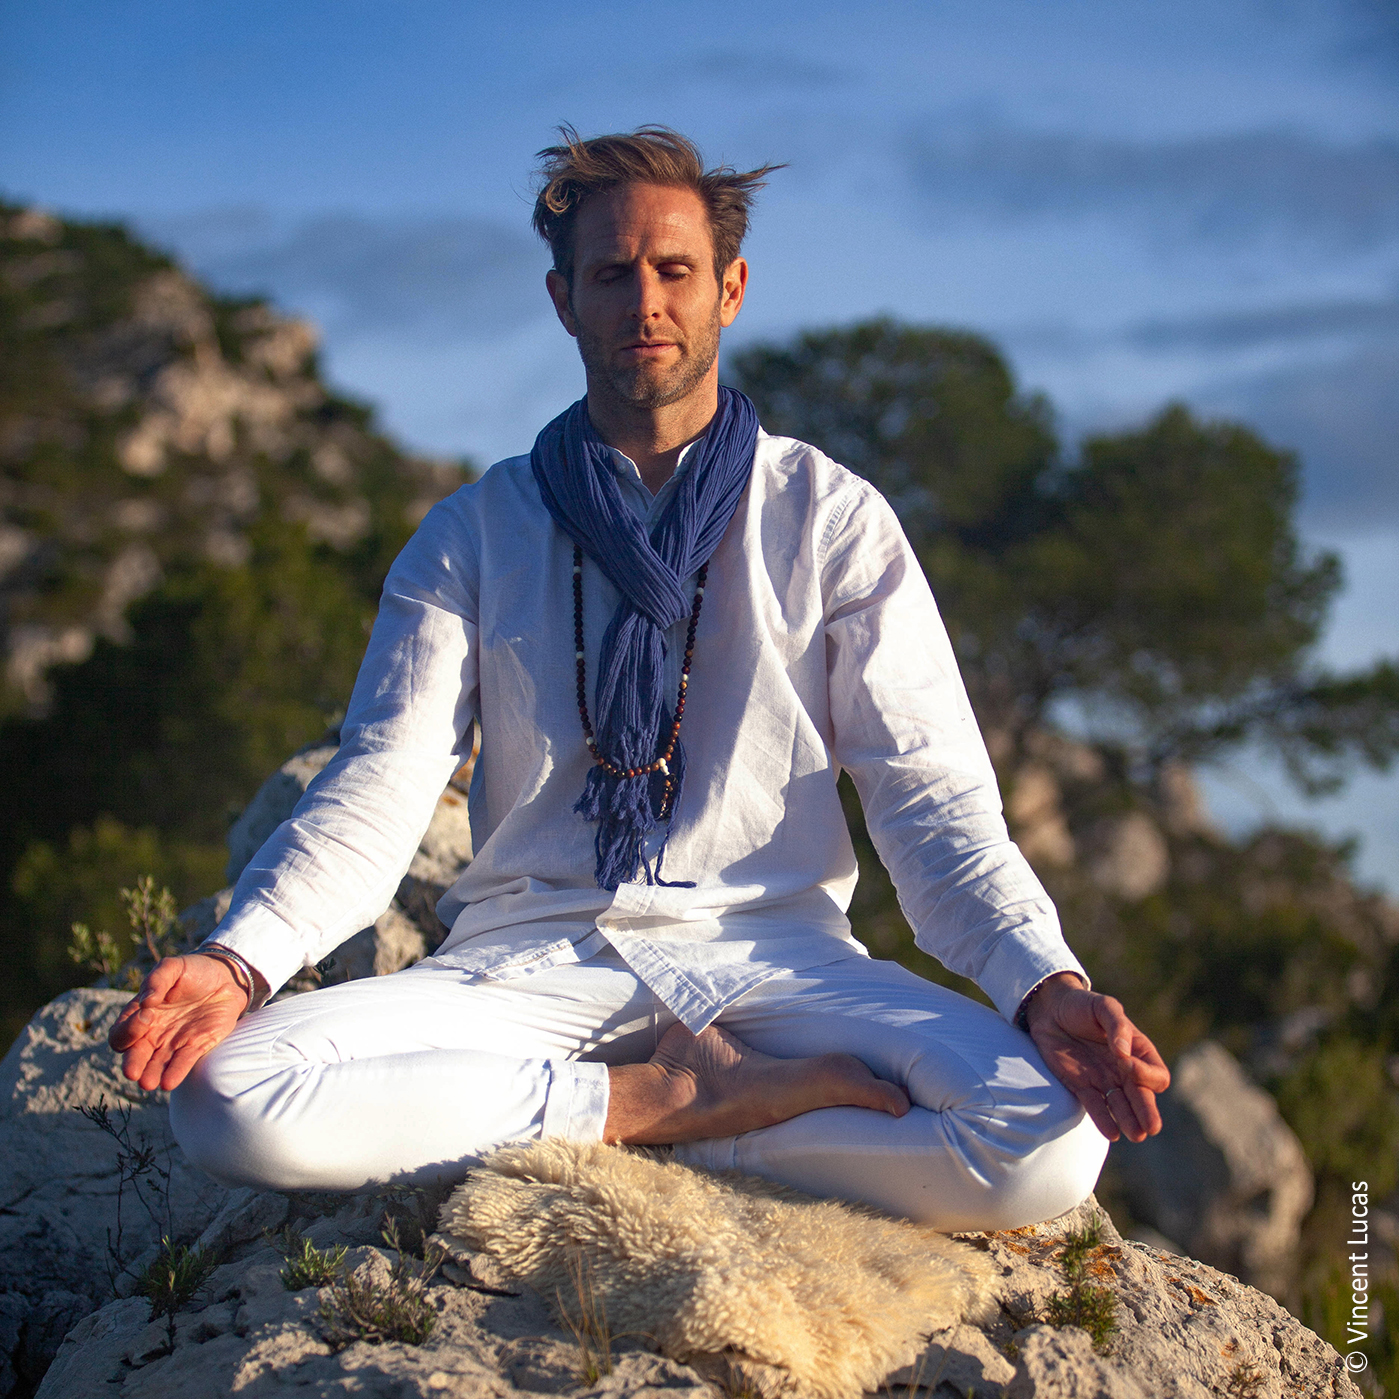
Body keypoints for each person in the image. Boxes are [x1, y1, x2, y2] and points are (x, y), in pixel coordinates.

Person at [110, 126, 1168, 1231]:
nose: (644, 301)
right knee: (229, 1099)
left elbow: (932, 801)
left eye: (674, 270)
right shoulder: (474, 530)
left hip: (777, 962)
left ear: (732, 288)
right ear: (565, 299)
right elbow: (381, 783)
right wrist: (241, 959)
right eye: (611, 274)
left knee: (1044, 1140)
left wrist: (1042, 984)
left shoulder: (829, 517)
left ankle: (697, 1116)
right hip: (529, 961)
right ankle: (648, 1109)